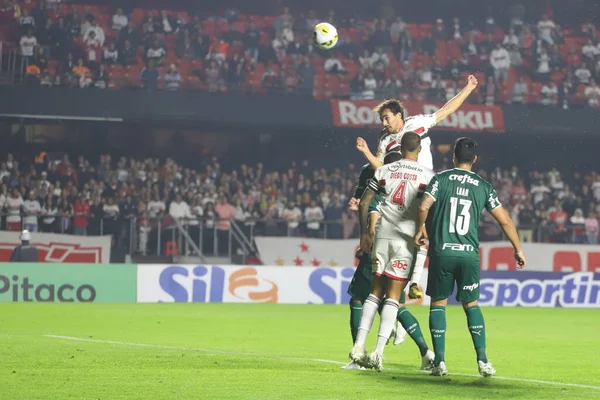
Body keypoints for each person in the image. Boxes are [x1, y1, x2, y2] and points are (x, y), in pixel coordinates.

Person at [350, 75, 479, 299]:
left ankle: (415, 282)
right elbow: (381, 169)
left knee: (423, 234)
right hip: (398, 193)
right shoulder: (383, 140)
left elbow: (446, 111)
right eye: (382, 119)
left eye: (386, 118)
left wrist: (467, 88)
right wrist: (367, 154)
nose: (384, 123)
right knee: (405, 237)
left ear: (398, 115)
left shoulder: (417, 123)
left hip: (423, 187)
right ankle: (398, 283)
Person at [414, 137, 527, 378]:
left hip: (442, 251)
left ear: (453, 157)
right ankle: (483, 361)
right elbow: (505, 220)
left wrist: (421, 228)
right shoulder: (483, 186)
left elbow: (423, 206)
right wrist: (517, 249)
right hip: (468, 255)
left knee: (438, 304)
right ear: (474, 159)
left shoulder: (440, 179)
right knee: (471, 305)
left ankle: (440, 362)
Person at [349, 132, 435, 372]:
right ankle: (378, 352)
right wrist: (424, 229)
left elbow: (365, 202)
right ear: (418, 150)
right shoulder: (428, 176)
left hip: (382, 237)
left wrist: (365, 235)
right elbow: (427, 207)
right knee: (393, 298)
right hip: (405, 238)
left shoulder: (384, 171)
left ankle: (358, 346)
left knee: (373, 294)